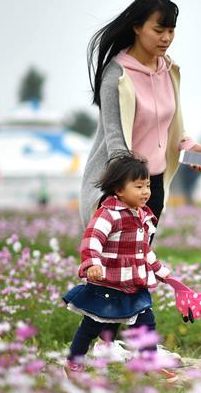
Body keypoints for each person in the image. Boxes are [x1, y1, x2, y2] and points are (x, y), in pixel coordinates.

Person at [83, 0, 201, 240]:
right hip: (121, 188)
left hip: (152, 188)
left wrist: (189, 147)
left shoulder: (168, 70)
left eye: (171, 30)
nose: (166, 38)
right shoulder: (117, 76)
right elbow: (115, 144)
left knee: (136, 268)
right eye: (158, 30)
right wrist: (129, 194)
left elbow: (168, 126)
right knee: (114, 271)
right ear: (136, 27)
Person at [62, 153, 175, 377]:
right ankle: (74, 362)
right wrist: (92, 263)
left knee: (146, 324)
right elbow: (92, 239)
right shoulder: (108, 214)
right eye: (138, 186)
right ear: (119, 190)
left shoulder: (143, 215)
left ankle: (148, 364)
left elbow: (143, 250)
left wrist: (160, 271)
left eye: (148, 185)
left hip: (134, 283)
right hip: (108, 283)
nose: (146, 192)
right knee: (91, 325)